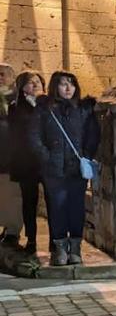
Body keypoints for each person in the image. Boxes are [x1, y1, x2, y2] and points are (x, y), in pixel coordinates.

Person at [28, 72, 100, 266]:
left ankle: (75, 248)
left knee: (76, 208)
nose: (68, 88)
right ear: (55, 87)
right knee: (58, 207)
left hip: (77, 168)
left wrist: (85, 155)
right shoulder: (45, 109)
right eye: (63, 84)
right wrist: (47, 157)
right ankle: (59, 248)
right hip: (54, 168)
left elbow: (92, 135)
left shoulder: (84, 110)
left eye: (71, 84)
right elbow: (34, 135)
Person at [8, 72, 46, 253]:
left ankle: (56, 241)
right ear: (22, 87)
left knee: (52, 201)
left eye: (38, 82)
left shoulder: (49, 105)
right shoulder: (16, 107)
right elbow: (17, 134)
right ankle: (31, 239)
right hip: (27, 161)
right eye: (31, 83)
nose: (35, 85)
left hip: (46, 161)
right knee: (29, 202)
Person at [0, 63, 21, 247]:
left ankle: (12, 231)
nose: (0, 77)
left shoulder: (17, 100)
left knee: (12, 196)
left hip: (12, 157)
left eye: (3, 74)